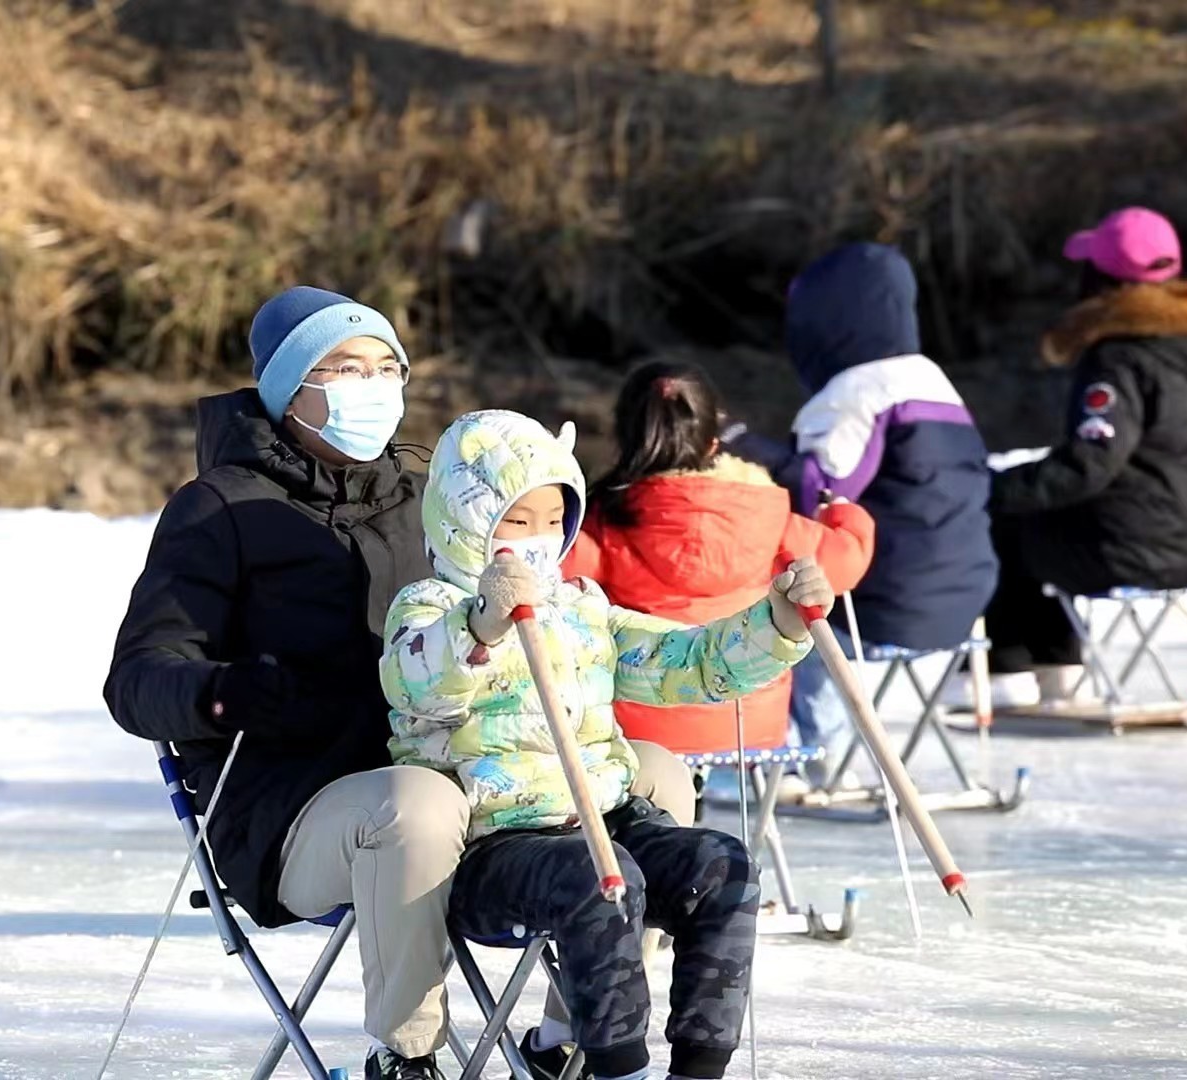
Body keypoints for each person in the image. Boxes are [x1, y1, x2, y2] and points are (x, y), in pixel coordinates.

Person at [103, 287, 693, 1080]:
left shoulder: (430, 489)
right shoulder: (217, 511)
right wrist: (222, 692)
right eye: (346, 368)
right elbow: (137, 679)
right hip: (297, 807)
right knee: (415, 803)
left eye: (389, 367)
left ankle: (572, 1039)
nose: (374, 386)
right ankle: (406, 1055)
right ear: (289, 387)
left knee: (657, 772)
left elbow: (529, 587)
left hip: (475, 776)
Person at [379, 409, 832, 1080]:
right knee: (603, 877)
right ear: (466, 521)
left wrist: (778, 622)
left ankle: (700, 1066)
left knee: (723, 866)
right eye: (517, 521)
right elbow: (415, 684)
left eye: (553, 521)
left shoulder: (582, 609)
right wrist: (482, 625)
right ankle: (615, 1068)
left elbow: (687, 660)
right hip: (495, 843)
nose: (539, 540)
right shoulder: (430, 605)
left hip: (607, 816)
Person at [728, 242, 997, 760]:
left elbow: (820, 493)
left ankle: (810, 748)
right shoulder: (936, 383)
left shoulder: (857, 390)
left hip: (883, 608)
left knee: (780, 586)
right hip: (965, 599)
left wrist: (742, 444)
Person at [566, 361, 875, 792]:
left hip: (638, 727)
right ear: (714, 442)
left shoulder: (607, 518)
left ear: (624, 438)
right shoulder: (764, 509)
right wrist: (844, 514)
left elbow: (555, 579)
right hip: (750, 726)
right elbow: (843, 562)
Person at [985, 207, 1187, 704]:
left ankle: (1013, 671)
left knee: (1007, 523)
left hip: (1132, 550)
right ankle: (1059, 667)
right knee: (1044, 522)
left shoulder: (1121, 357)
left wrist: (994, 487)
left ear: (1103, 278)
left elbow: (1089, 464)